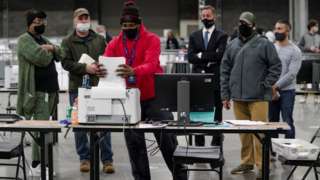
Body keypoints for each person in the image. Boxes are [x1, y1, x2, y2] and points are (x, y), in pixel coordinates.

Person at [103, 1, 186, 180]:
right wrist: (100, 68)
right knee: (135, 146)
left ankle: (180, 177)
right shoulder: (115, 43)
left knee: (167, 141)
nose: (127, 29)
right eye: (124, 26)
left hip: (154, 97)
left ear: (139, 24)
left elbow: (152, 64)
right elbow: (106, 63)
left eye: (131, 26)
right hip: (129, 100)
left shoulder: (152, 39)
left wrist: (134, 70)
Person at [220, 12, 281, 179]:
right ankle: (247, 162)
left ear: (253, 25)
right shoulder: (232, 45)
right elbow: (224, 70)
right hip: (238, 98)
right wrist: (225, 95)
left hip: (258, 98)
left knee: (259, 133)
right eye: (240, 22)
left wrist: (265, 84)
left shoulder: (264, 44)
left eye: (245, 23)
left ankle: (262, 165)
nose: (242, 26)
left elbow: (275, 66)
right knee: (244, 133)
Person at [61, 8, 114, 173]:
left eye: (86, 18)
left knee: (104, 122)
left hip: (99, 87)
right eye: (80, 18)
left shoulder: (99, 39)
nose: (83, 21)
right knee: (79, 124)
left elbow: (108, 57)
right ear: (75, 20)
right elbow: (65, 63)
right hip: (77, 88)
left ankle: (107, 160)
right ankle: (84, 158)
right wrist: (85, 68)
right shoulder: (67, 41)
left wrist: (102, 67)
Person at [16, 9, 64, 175]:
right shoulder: (24, 40)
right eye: (37, 22)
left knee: (45, 128)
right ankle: (38, 165)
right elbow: (41, 59)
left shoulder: (43, 39)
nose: (41, 24)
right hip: (37, 91)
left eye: (43, 21)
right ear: (29, 24)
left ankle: (42, 163)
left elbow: (62, 52)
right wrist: (52, 50)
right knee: (40, 128)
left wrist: (50, 47)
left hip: (50, 91)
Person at [187, 5, 228, 147]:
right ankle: (199, 146)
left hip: (215, 80)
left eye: (208, 16)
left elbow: (220, 55)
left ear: (214, 17)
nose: (205, 18)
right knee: (199, 111)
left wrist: (201, 55)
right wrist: (210, 57)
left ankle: (216, 144)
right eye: (203, 16)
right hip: (197, 80)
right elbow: (190, 57)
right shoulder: (194, 36)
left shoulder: (222, 35)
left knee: (217, 112)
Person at [269, 20, 302, 139]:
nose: (276, 31)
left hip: (287, 91)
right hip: (271, 90)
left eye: (280, 29)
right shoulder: (271, 48)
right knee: (272, 122)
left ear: (287, 31)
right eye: (276, 28)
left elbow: (292, 74)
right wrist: (270, 86)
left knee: (287, 121)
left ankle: (289, 151)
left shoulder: (295, 51)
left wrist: (276, 86)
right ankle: (272, 150)